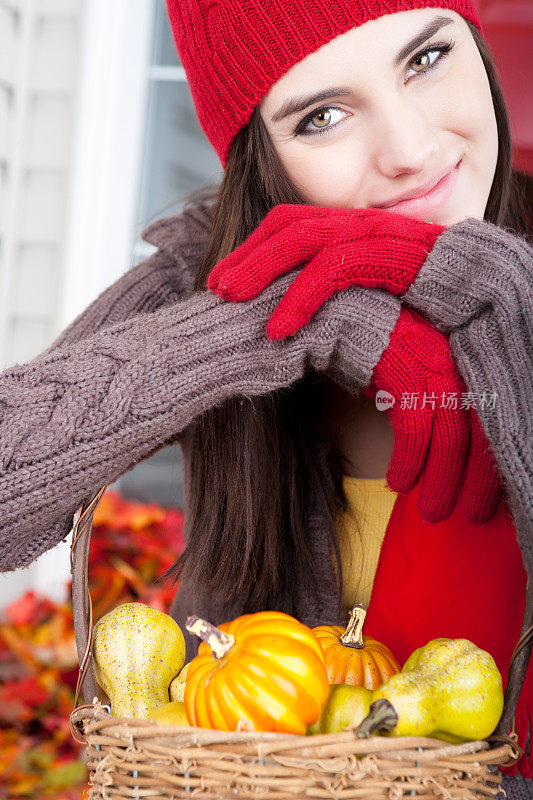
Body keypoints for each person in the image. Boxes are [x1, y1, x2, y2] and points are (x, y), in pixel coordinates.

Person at [0, 0, 531, 792]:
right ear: (262, 162)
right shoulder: (209, 281)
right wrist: (268, 320)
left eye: (425, 60)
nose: (410, 151)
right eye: (321, 116)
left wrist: (497, 294)